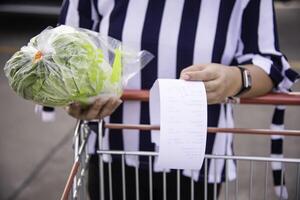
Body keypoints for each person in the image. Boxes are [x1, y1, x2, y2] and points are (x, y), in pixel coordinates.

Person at [58, 0, 299, 199]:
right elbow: (63, 52)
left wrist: (235, 79)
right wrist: (77, 96)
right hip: (112, 149)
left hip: (198, 158)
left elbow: (270, 64)